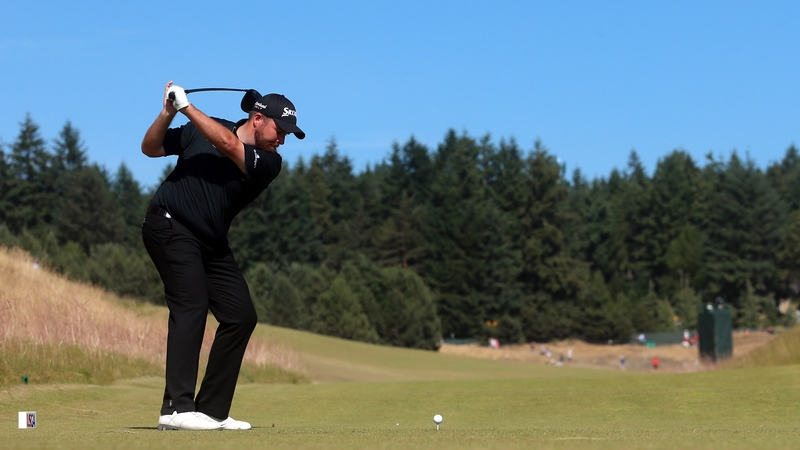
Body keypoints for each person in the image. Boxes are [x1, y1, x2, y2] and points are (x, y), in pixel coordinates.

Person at [141, 81, 305, 431]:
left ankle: (211, 410)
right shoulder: (199, 128)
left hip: (210, 242)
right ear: (258, 119)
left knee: (241, 315)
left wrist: (186, 108)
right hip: (169, 226)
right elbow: (150, 148)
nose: (283, 139)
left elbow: (228, 143)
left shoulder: (269, 163)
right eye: (281, 130)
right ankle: (175, 410)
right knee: (192, 305)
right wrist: (167, 114)